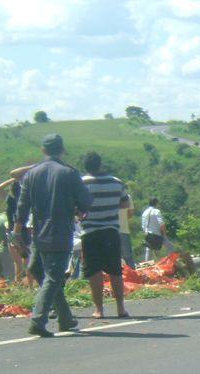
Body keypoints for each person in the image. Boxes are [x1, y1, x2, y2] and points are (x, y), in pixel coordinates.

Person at [15, 133, 91, 336]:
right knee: (52, 276)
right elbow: (86, 201)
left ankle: (65, 318)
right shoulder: (69, 173)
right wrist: (77, 208)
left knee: (42, 272)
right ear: (61, 150)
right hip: (59, 232)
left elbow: (22, 206)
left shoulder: (31, 174)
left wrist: (17, 230)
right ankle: (38, 320)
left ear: (43, 150)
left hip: (38, 233)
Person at [80, 151, 130, 319]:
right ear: (100, 164)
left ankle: (99, 309)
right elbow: (125, 204)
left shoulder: (81, 184)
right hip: (111, 231)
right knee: (115, 271)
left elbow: (76, 207)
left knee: (94, 272)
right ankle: (121, 308)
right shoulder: (116, 182)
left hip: (89, 233)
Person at [117, 187, 136, 268]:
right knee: (128, 257)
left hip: (109, 231)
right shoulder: (128, 197)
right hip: (123, 230)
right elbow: (131, 214)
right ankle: (133, 278)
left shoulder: (108, 197)